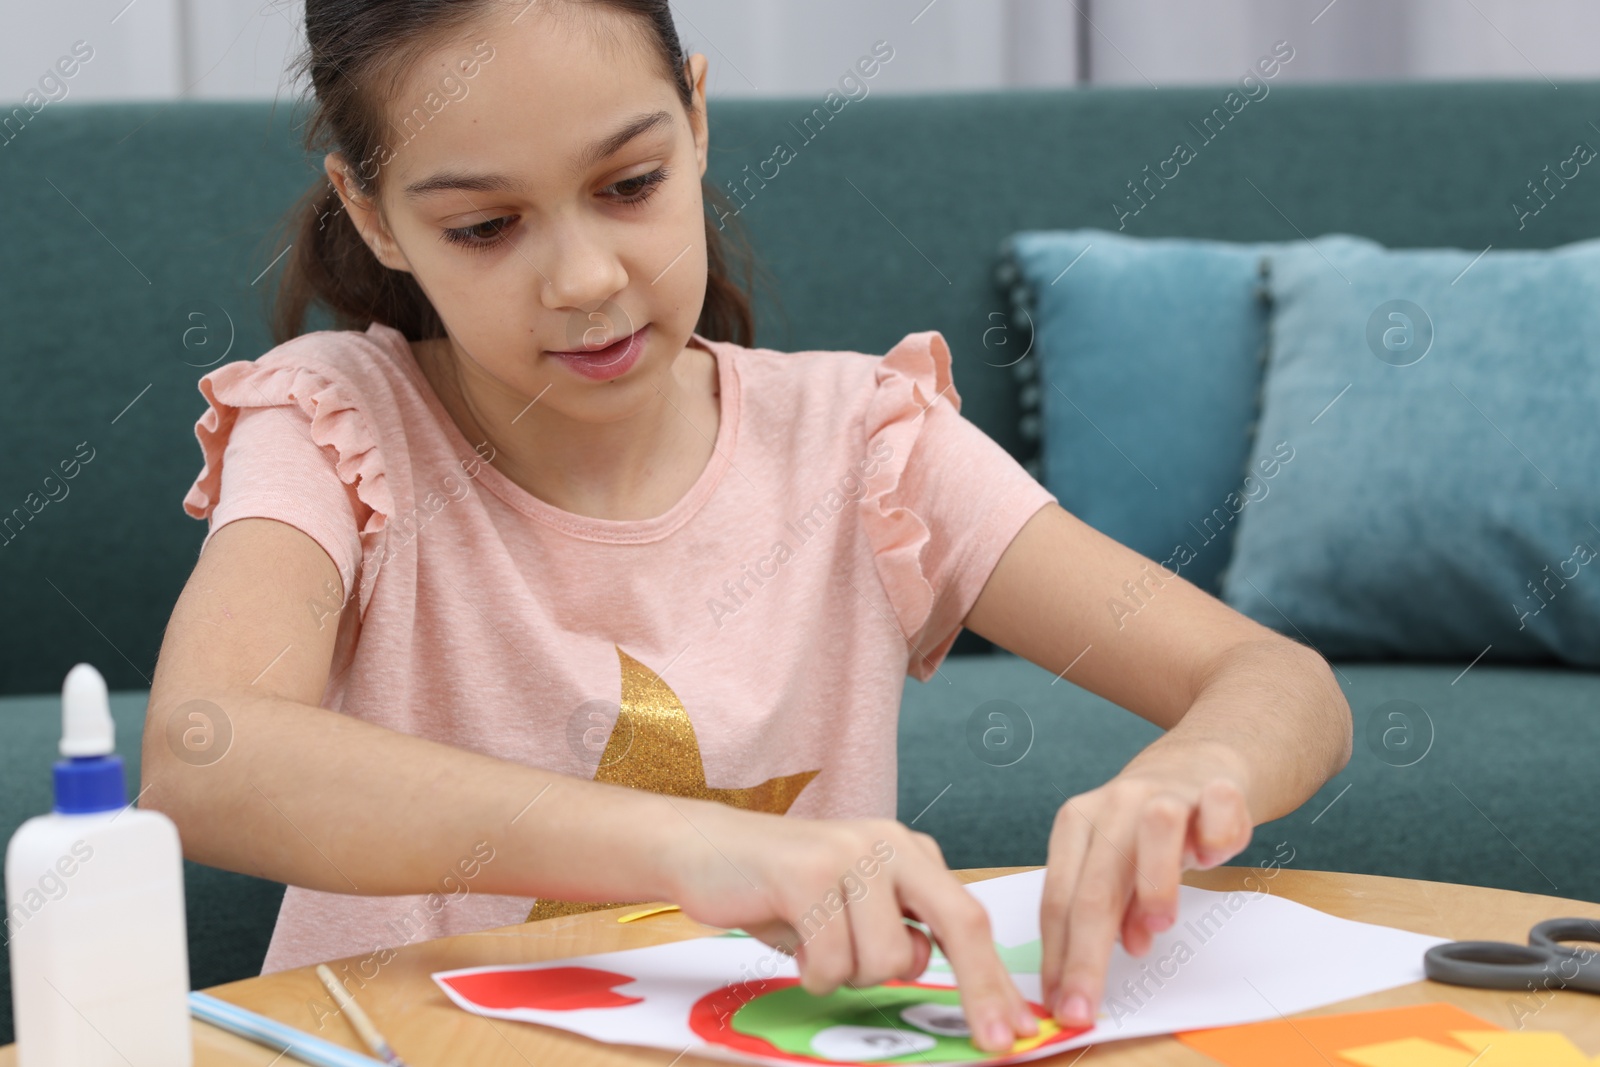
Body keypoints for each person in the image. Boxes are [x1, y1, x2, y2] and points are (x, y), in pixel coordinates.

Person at [142, 0, 1352, 1051]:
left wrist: (1192, 771)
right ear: (373, 213)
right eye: (485, 227)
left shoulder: (862, 441)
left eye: (629, 187)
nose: (585, 279)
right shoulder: (336, 422)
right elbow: (204, 754)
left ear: (697, 116)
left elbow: (1278, 681)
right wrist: (683, 848)